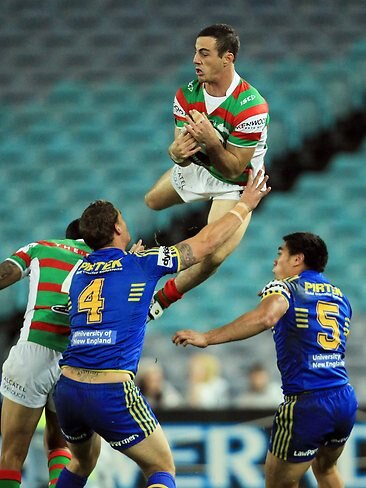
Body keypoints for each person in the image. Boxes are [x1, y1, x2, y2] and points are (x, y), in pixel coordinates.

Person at [52, 170, 270, 488]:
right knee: (161, 467)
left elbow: (107, 298)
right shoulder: (142, 262)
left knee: (81, 462)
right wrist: (244, 205)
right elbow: (205, 244)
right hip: (110, 389)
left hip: (68, 388)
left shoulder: (78, 271)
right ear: (117, 227)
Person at [173, 232, 358, 488]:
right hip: (344, 399)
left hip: (307, 403)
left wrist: (207, 337)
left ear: (297, 259)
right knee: (326, 469)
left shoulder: (285, 287)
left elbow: (266, 317)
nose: (275, 261)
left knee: (279, 483)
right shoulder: (340, 297)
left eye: (280, 253)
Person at [145, 23, 269, 321]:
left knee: (213, 256)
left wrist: (212, 142)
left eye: (204, 53)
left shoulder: (251, 106)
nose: (195, 60)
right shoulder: (186, 95)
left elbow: (233, 167)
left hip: (237, 183)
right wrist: (175, 153)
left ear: (228, 58)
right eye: (195, 53)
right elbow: (181, 152)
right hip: (201, 168)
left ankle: (159, 300)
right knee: (151, 201)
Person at [0, 220, 91, 488]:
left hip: (35, 350)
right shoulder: (104, 262)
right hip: (76, 358)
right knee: (59, 443)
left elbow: (6, 272)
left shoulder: (42, 248)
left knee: (12, 453)